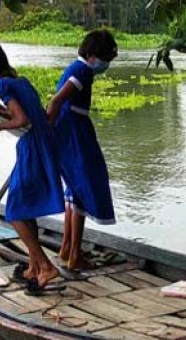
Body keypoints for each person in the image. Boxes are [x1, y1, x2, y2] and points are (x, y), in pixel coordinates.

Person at [0, 40, 65, 294]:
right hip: (41, 144)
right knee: (26, 208)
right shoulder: (21, 81)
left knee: (14, 210)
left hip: (31, 147)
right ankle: (34, 266)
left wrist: (0, 124)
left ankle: (45, 266)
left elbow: (21, 118)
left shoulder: (3, 85)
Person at [47, 30, 118, 275]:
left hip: (69, 132)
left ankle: (67, 249)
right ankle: (74, 255)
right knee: (85, 186)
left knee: (75, 189)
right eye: (105, 57)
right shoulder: (83, 71)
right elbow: (56, 102)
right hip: (74, 134)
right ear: (91, 55)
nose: (106, 64)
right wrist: (47, 130)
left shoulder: (76, 68)